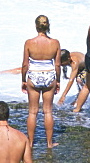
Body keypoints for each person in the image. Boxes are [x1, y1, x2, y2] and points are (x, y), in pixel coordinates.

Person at [21, 15, 61, 148]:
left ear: (36, 26)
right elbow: (57, 65)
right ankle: (49, 143)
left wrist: (23, 80)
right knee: (48, 111)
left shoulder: (29, 42)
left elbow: (25, 64)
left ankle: (30, 143)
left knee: (33, 112)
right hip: (49, 75)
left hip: (34, 75)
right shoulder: (55, 43)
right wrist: (58, 81)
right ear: (48, 25)